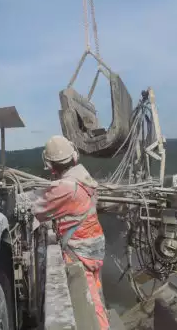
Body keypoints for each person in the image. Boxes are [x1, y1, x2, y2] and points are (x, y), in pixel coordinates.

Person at [32, 135, 110, 330]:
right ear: (74, 157)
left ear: (51, 166)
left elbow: (37, 209)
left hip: (80, 251)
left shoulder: (65, 187)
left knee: (89, 302)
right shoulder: (83, 176)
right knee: (96, 292)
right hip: (95, 245)